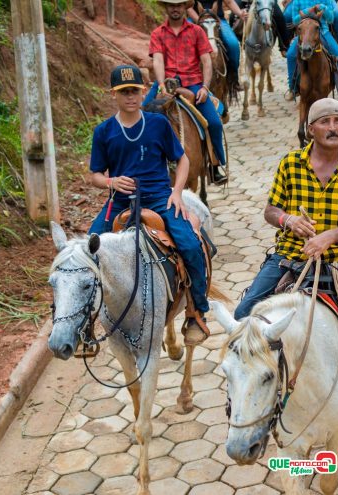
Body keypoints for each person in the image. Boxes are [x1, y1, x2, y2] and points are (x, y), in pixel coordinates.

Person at [234, 98, 338, 430]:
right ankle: (245, 388)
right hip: (290, 256)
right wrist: (288, 220)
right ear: (311, 129)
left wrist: (329, 237)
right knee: (242, 315)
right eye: (325, 121)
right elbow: (270, 210)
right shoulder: (290, 164)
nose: (333, 127)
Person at [88, 65, 211, 345]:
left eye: (135, 91)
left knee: (190, 244)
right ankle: (87, 320)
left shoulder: (157, 124)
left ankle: (197, 311)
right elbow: (95, 174)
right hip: (121, 202)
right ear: (114, 95)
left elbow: (182, 160)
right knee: (87, 250)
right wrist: (111, 182)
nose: (130, 97)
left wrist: (177, 192)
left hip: (159, 197)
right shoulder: (104, 131)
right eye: (124, 92)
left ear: (143, 92)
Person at [145, 0, 227, 184]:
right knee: (142, 115)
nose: (175, 8)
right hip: (165, 83)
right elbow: (158, 60)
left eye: (179, 5)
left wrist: (205, 88)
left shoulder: (197, 31)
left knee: (214, 122)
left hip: (193, 84)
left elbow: (206, 62)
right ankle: (140, 166)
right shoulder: (158, 33)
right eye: (171, 5)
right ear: (166, 7)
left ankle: (215, 166)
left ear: (185, 8)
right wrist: (161, 85)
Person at [283, 0, 338, 102]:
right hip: (304, 35)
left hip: (322, 31)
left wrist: (321, 7)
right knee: (290, 55)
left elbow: (330, 19)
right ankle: (292, 88)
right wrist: (309, 11)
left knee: (337, 54)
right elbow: (294, 21)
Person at [187, 0, 245, 89]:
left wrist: (240, 13)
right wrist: (200, 20)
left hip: (217, 18)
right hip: (195, 18)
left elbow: (229, 2)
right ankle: (184, 77)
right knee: (185, 43)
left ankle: (233, 78)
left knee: (233, 44)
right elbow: (189, 8)